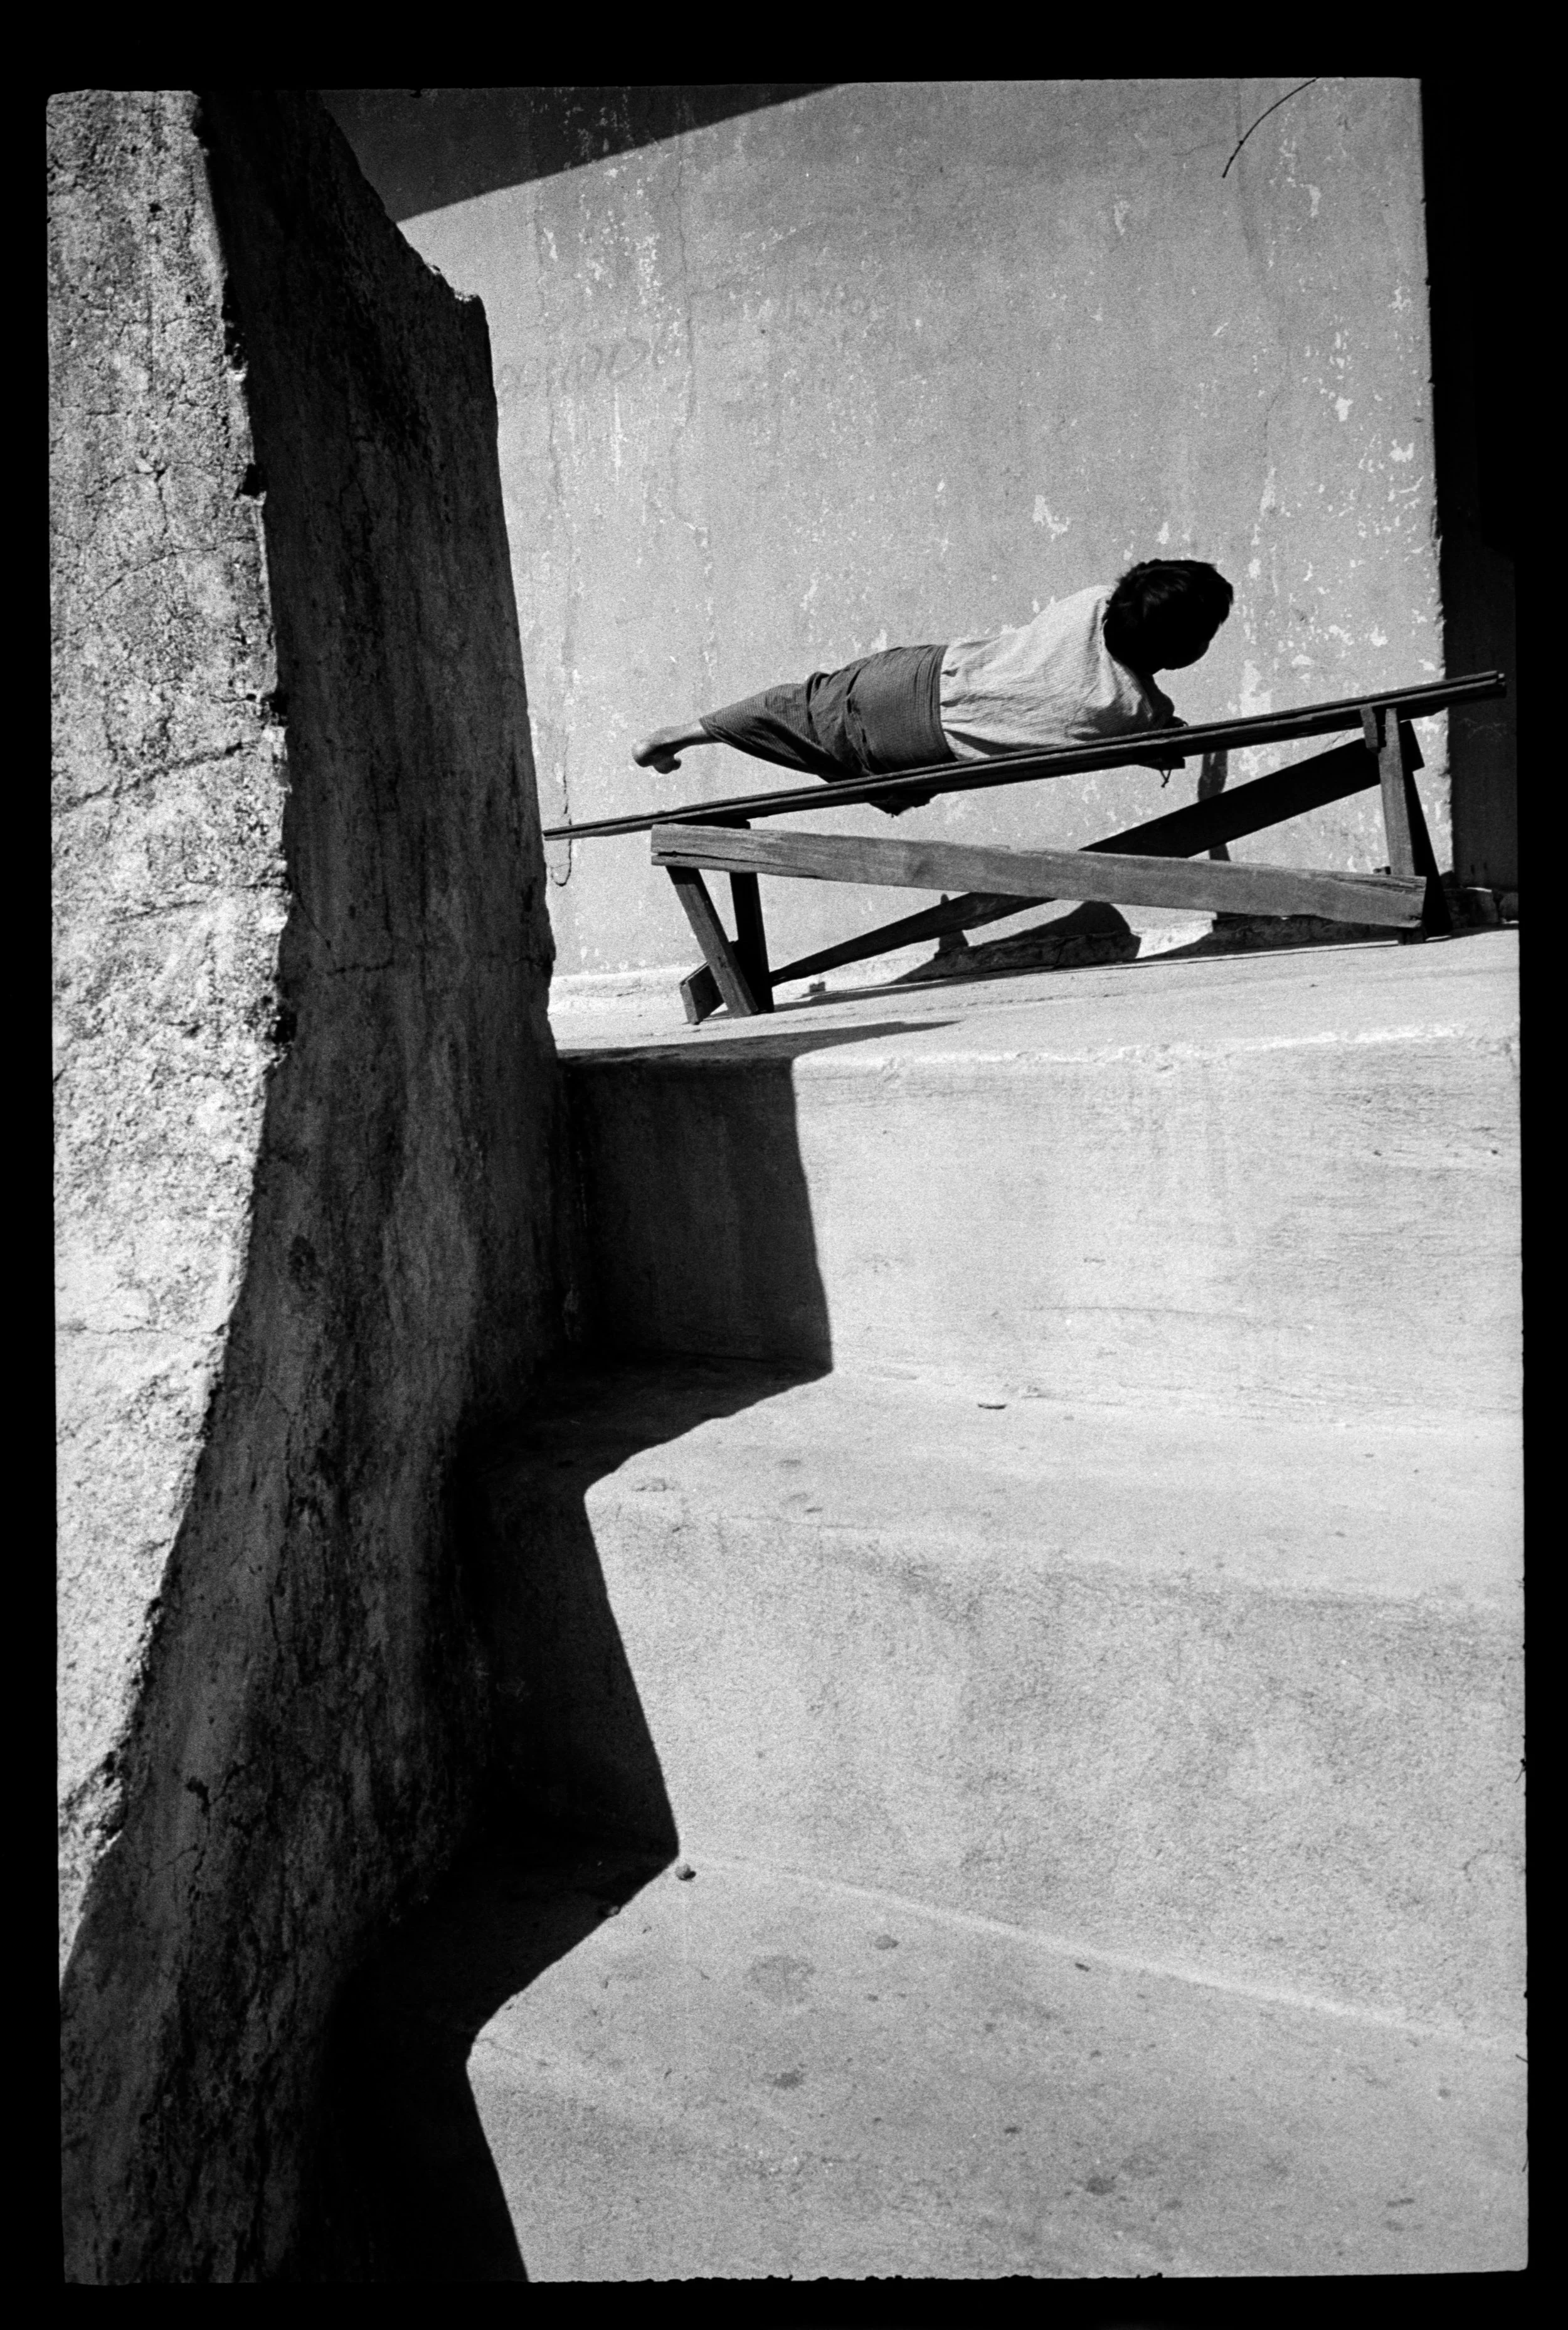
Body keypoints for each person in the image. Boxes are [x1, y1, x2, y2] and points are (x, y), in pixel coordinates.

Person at [632, 558, 1234, 814]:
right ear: (1182, 652)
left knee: (799, 705)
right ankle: (689, 735)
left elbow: (1131, 589)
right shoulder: (1131, 714)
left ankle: (683, 734)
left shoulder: (1089, 606)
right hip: (918, 749)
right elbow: (1158, 739)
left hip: (916, 674)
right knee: (856, 757)